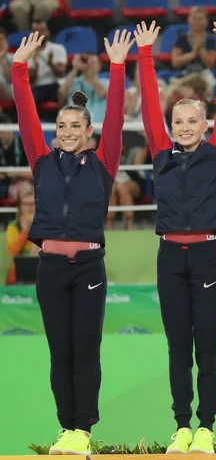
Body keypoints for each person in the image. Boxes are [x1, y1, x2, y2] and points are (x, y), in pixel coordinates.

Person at [12, 29, 133, 454]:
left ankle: (83, 427)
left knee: (85, 350)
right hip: (50, 270)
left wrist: (118, 67)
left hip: (88, 268)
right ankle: (66, 426)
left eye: (73, 126)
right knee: (59, 353)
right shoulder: (41, 162)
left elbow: (117, 117)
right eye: (60, 125)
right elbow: (26, 115)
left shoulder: (103, 163)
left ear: (88, 130)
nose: (65, 131)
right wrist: (19, 68)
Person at [134, 19, 216, 455]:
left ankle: (207, 427)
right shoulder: (160, 151)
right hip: (168, 258)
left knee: (208, 346)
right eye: (178, 120)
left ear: (203, 123)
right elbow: (147, 104)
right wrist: (144, 55)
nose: (183, 126)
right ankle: (182, 424)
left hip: (205, 258)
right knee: (178, 343)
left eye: (192, 120)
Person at [5, 184, 40, 285]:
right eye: (25, 204)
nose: (29, 208)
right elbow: (12, 251)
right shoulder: (13, 227)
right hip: (18, 275)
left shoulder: (46, 225)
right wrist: (25, 231)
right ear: (20, 207)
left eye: (32, 204)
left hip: (42, 270)